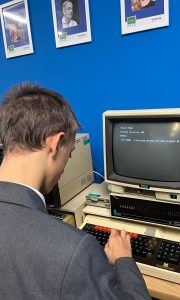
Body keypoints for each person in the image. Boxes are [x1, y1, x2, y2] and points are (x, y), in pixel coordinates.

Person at [0, 82, 152, 299]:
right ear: (55, 143)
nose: (65, 166)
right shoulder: (74, 250)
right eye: (69, 154)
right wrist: (124, 260)